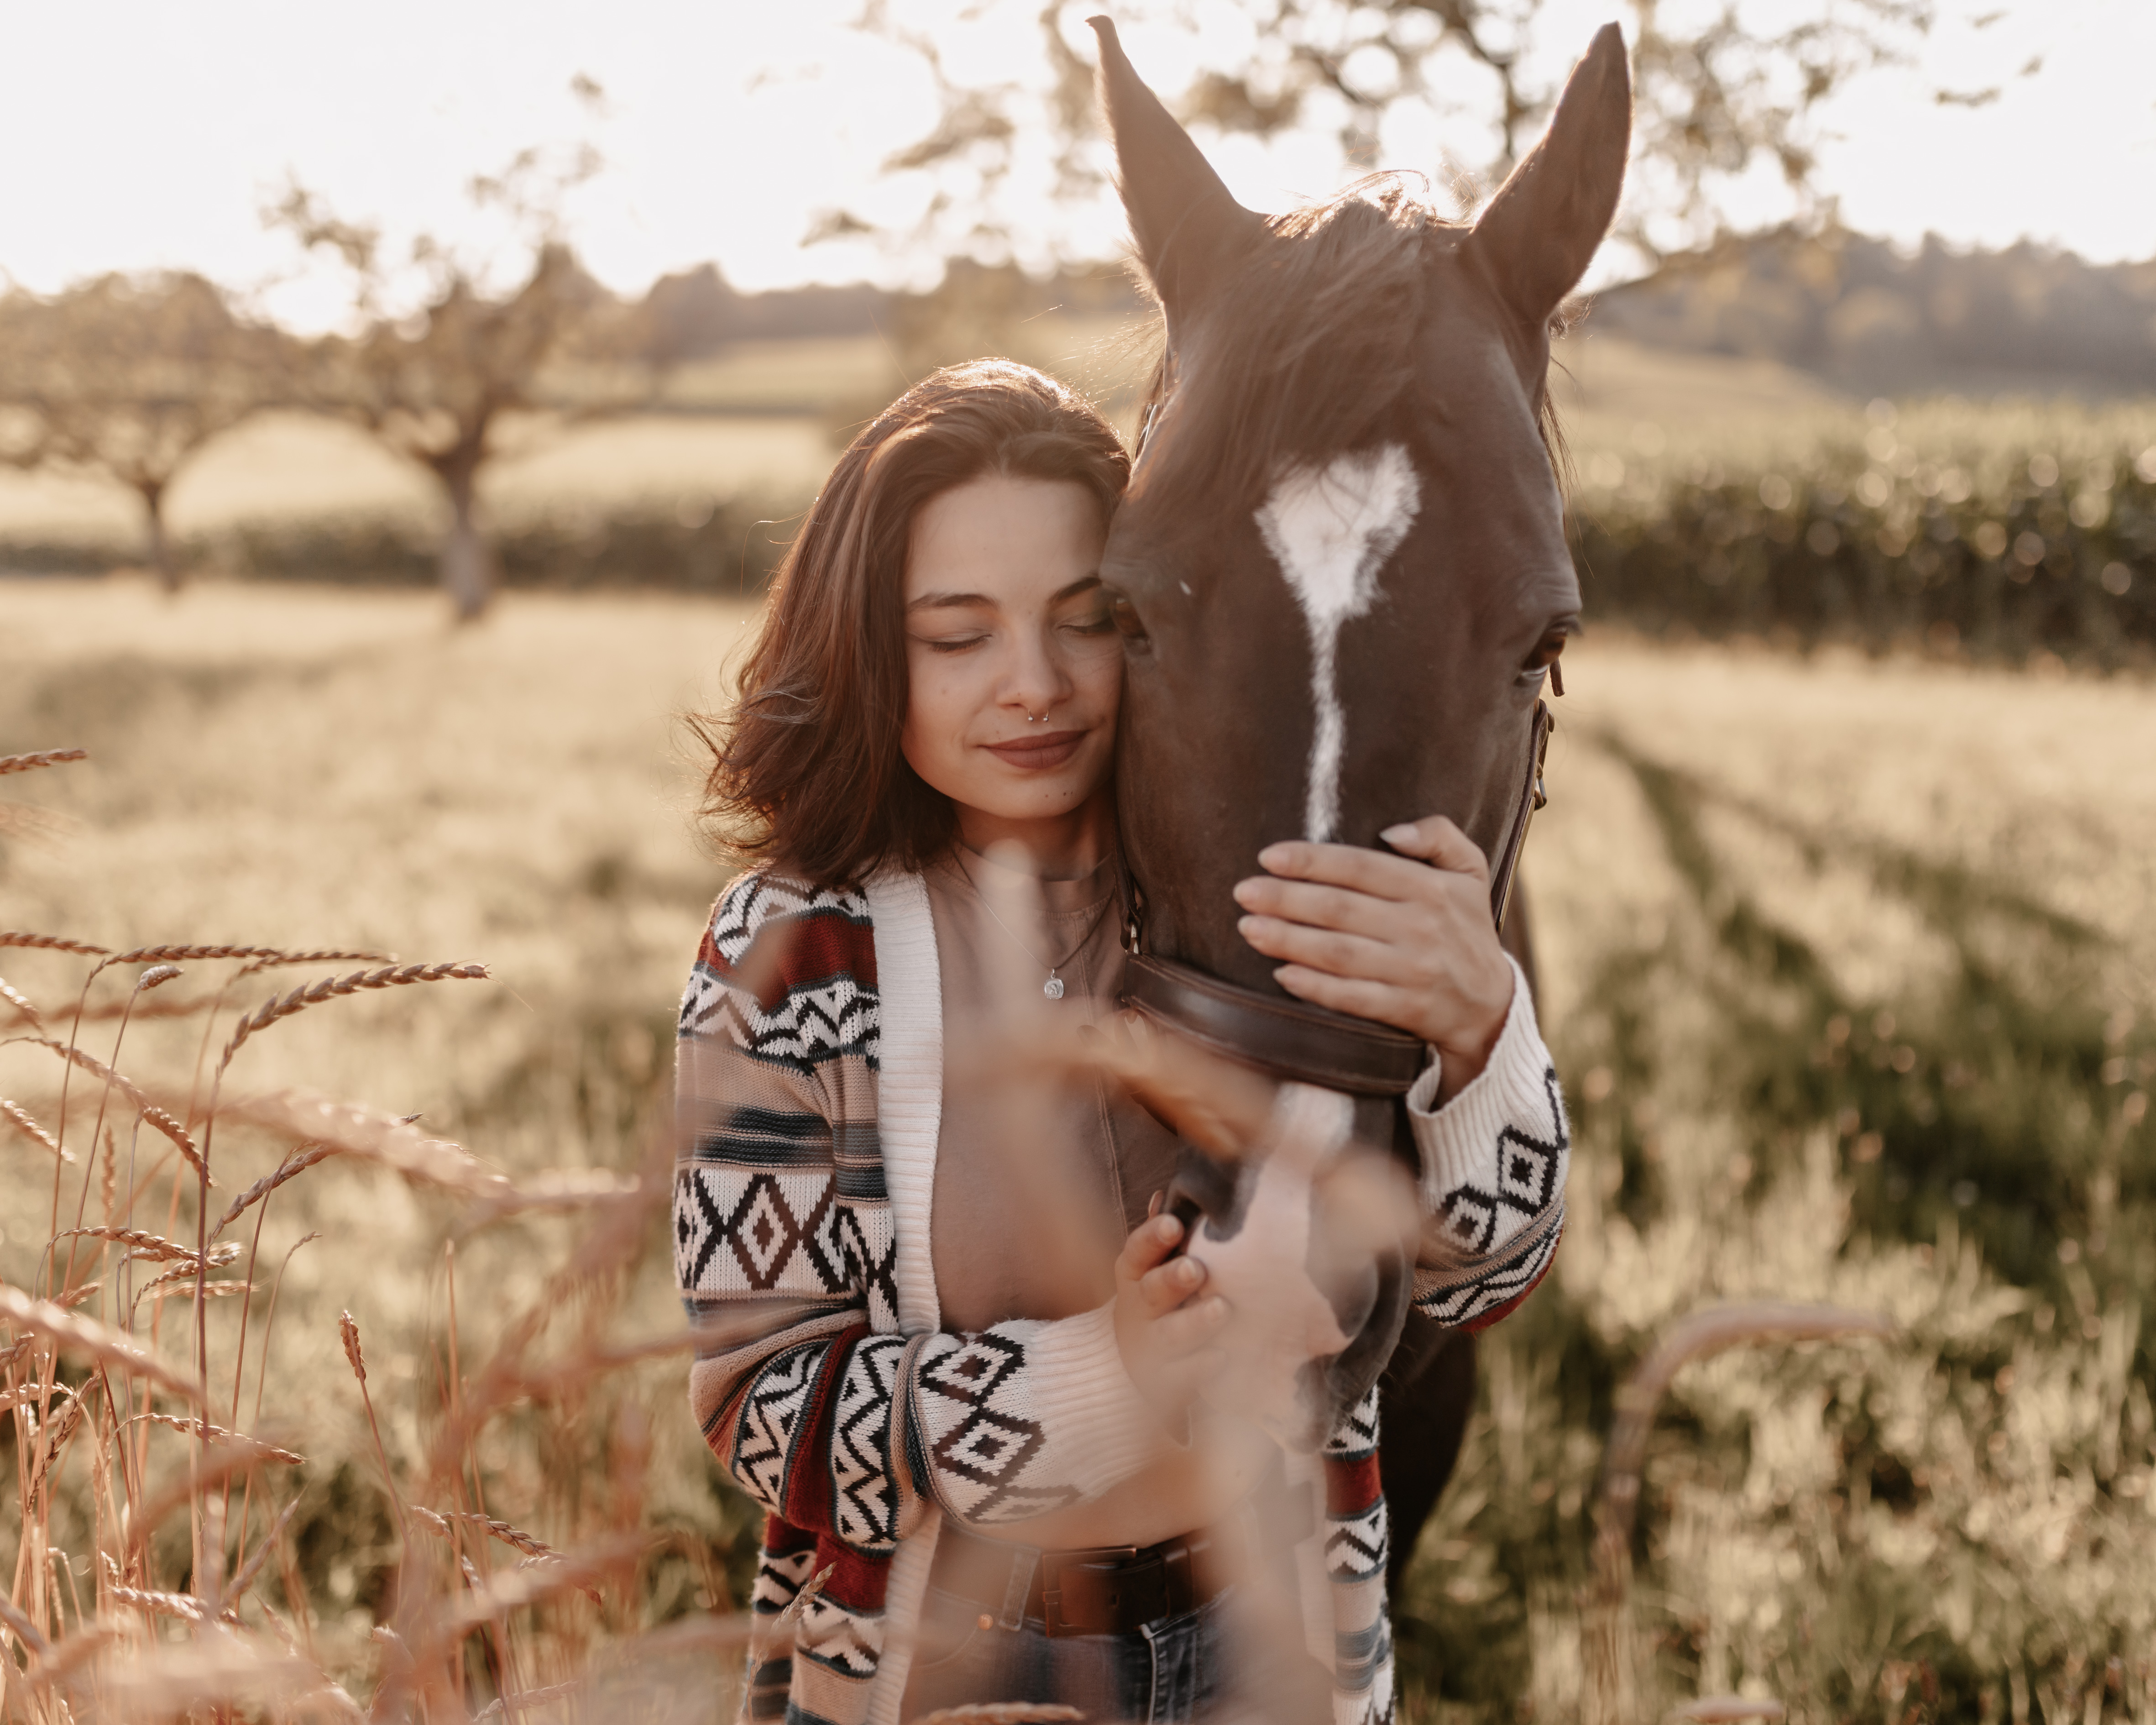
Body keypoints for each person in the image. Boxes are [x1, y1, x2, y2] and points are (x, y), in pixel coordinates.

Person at [673, 360, 1570, 1725]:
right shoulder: (792, 952)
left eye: (1084, 620)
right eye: (956, 635)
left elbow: (1472, 1288)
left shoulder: (1256, 895)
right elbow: (767, 1412)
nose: (1031, 685)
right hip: (942, 1664)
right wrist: (1109, 1376)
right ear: (867, 647)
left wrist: (1478, 1031)